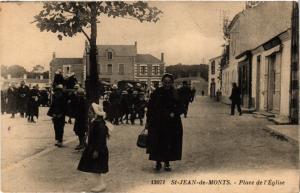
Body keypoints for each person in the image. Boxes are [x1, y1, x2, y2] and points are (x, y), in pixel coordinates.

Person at [146, 73, 183, 172]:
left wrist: (175, 113)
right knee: (157, 142)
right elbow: (150, 108)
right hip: (157, 123)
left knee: (169, 142)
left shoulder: (175, 93)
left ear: (172, 83)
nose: (167, 84)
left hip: (171, 123)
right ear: (162, 82)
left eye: (169, 82)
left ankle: (167, 162)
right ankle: (158, 162)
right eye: (165, 82)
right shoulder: (156, 93)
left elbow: (181, 107)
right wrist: (148, 121)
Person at [77, 101, 109, 192]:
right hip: (93, 148)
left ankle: (100, 184)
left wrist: (97, 150)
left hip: (97, 149)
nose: (88, 114)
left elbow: (101, 139)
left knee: (96, 168)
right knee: (94, 168)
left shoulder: (99, 124)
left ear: (96, 113)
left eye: (90, 112)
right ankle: (100, 184)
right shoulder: (95, 122)